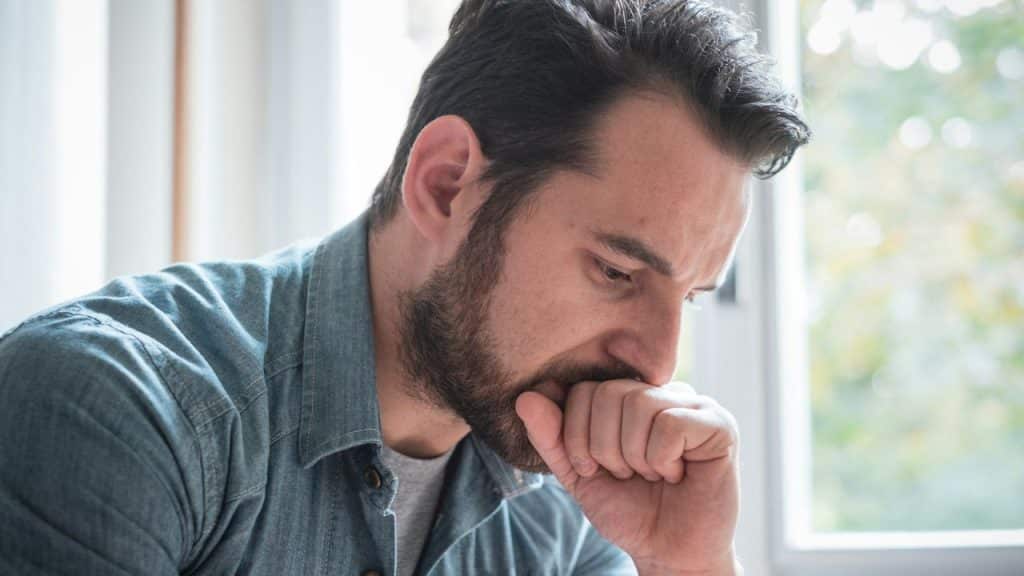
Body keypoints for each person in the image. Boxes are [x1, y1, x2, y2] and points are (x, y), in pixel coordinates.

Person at [0, 0, 809, 574]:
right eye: (616, 272)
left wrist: (688, 564)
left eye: (691, 297)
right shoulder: (116, 408)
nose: (657, 364)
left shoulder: (573, 494)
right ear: (448, 183)